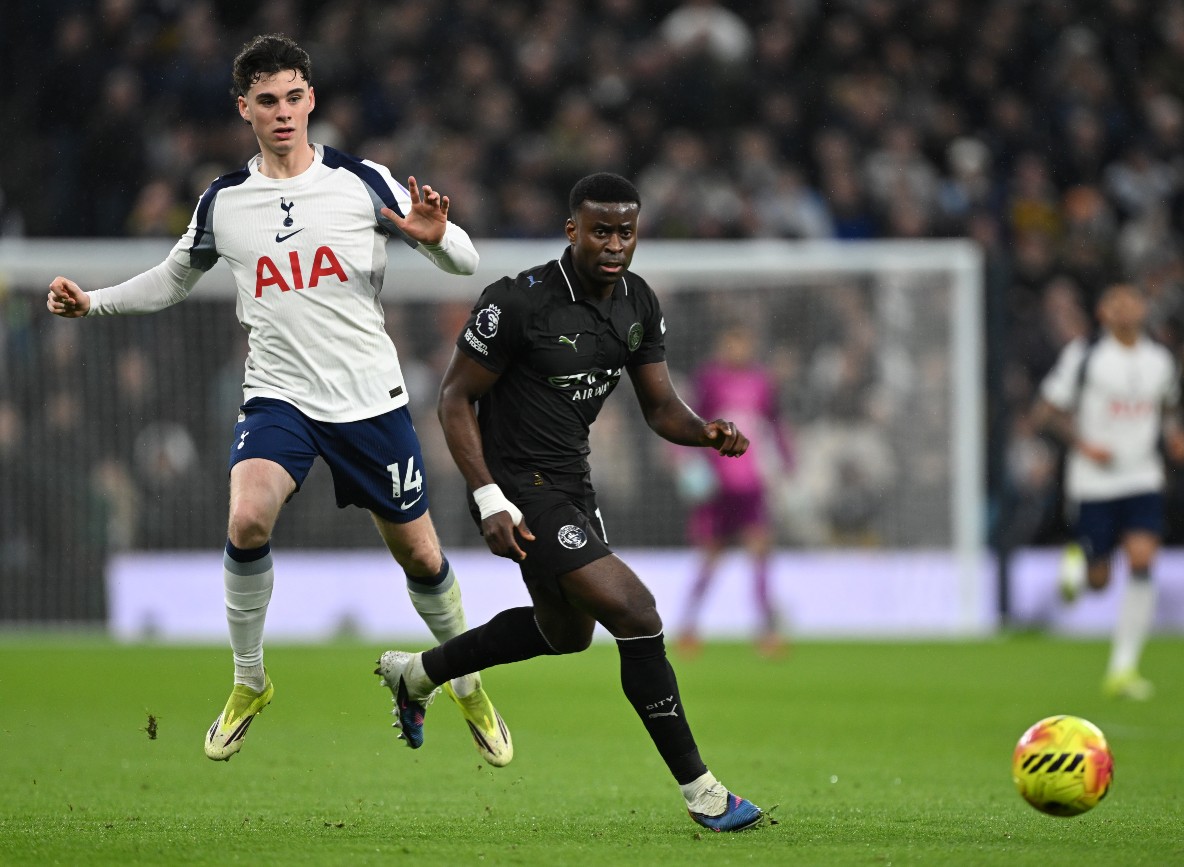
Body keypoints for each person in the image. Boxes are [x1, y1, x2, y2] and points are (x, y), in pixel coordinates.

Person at [46, 34, 512, 767]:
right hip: (278, 398)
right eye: (267, 100)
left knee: (421, 555)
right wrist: (93, 304)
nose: (284, 111)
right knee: (246, 513)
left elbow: (467, 259)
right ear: (245, 109)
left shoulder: (363, 181)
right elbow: (173, 278)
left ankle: (465, 679)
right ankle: (249, 680)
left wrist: (435, 236)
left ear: (311, 99)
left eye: (295, 96)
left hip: (369, 400)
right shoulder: (225, 202)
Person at [374, 172, 766, 832]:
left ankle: (416, 673)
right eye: (601, 231)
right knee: (637, 613)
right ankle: (703, 791)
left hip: (571, 485)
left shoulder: (637, 302)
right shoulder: (519, 302)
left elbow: (661, 407)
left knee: (566, 633)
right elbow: (453, 398)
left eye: (626, 231)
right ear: (572, 231)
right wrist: (489, 496)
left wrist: (706, 431)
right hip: (517, 488)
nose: (614, 244)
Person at [1032, 282, 1184, 700]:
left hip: (1142, 476)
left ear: (1144, 307)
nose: (1124, 308)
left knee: (1142, 559)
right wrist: (1083, 444)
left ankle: (1124, 667)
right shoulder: (1085, 356)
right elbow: (1047, 410)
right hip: (1094, 481)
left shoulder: (1159, 360)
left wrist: (1176, 435)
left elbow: (1169, 407)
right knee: (1100, 580)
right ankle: (1079, 561)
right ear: (1103, 311)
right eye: (1115, 301)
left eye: (1132, 300)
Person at [674, 322, 795, 659]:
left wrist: (787, 460)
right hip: (717, 486)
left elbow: (777, 424)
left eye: (743, 343)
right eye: (731, 343)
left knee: (760, 553)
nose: (737, 350)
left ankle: (767, 632)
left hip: (751, 485)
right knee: (711, 557)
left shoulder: (763, 382)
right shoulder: (708, 380)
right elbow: (687, 420)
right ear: (722, 345)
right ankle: (688, 627)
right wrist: (686, 461)